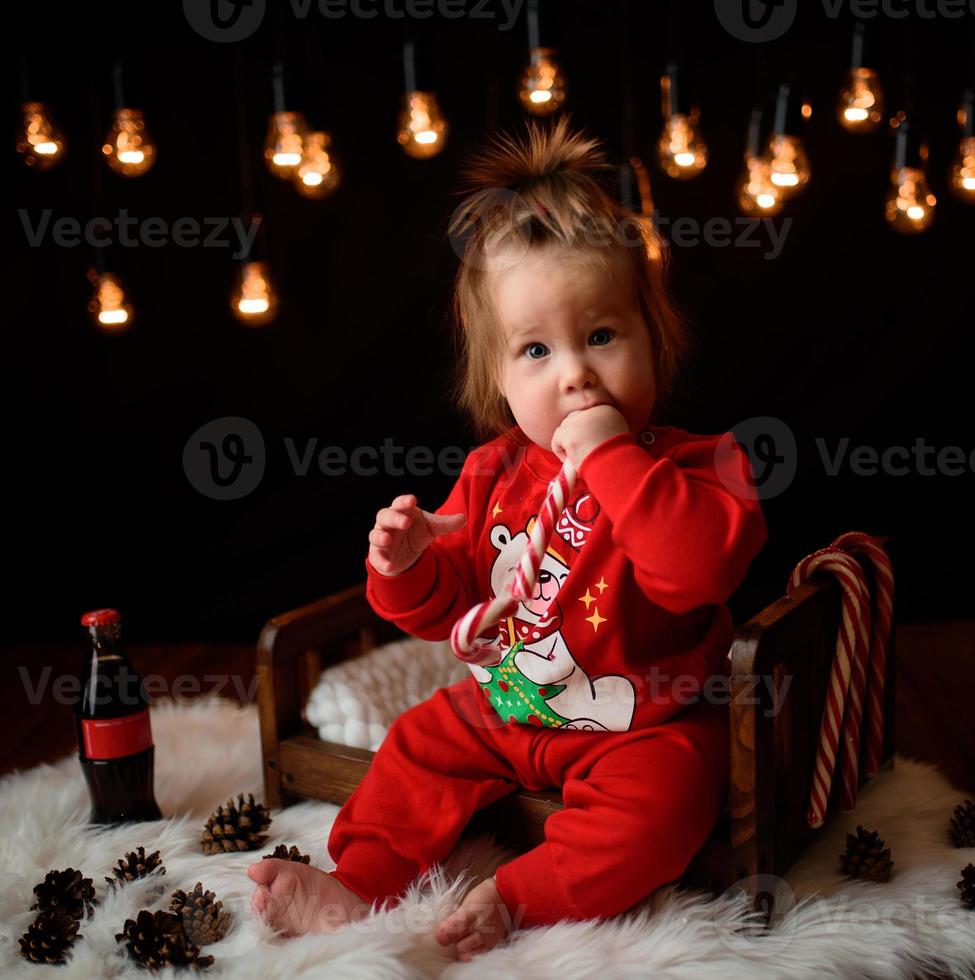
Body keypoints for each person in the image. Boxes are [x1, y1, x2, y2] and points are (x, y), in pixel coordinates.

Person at [248, 116, 767, 961]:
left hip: (644, 724)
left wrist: (610, 460)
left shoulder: (702, 466)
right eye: (536, 349)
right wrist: (409, 568)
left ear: (653, 336)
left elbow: (693, 573)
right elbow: (452, 606)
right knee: (417, 742)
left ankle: (516, 898)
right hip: (511, 707)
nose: (575, 373)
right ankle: (359, 886)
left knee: (668, 806)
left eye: (601, 336)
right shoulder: (494, 476)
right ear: (497, 377)